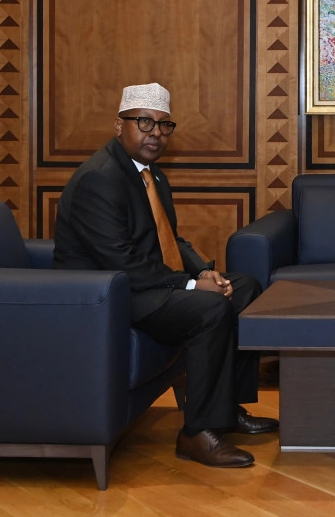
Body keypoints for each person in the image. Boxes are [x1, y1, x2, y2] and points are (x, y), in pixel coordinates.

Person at [54, 82, 278, 468]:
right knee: (210, 308)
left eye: (163, 125)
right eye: (144, 122)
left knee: (243, 288)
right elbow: (122, 261)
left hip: (141, 285)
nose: (155, 133)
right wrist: (191, 284)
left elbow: (170, 238)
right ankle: (197, 434)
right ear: (119, 125)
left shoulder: (149, 173)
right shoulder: (100, 178)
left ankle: (227, 410)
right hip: (106, 295)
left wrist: (206, 272)